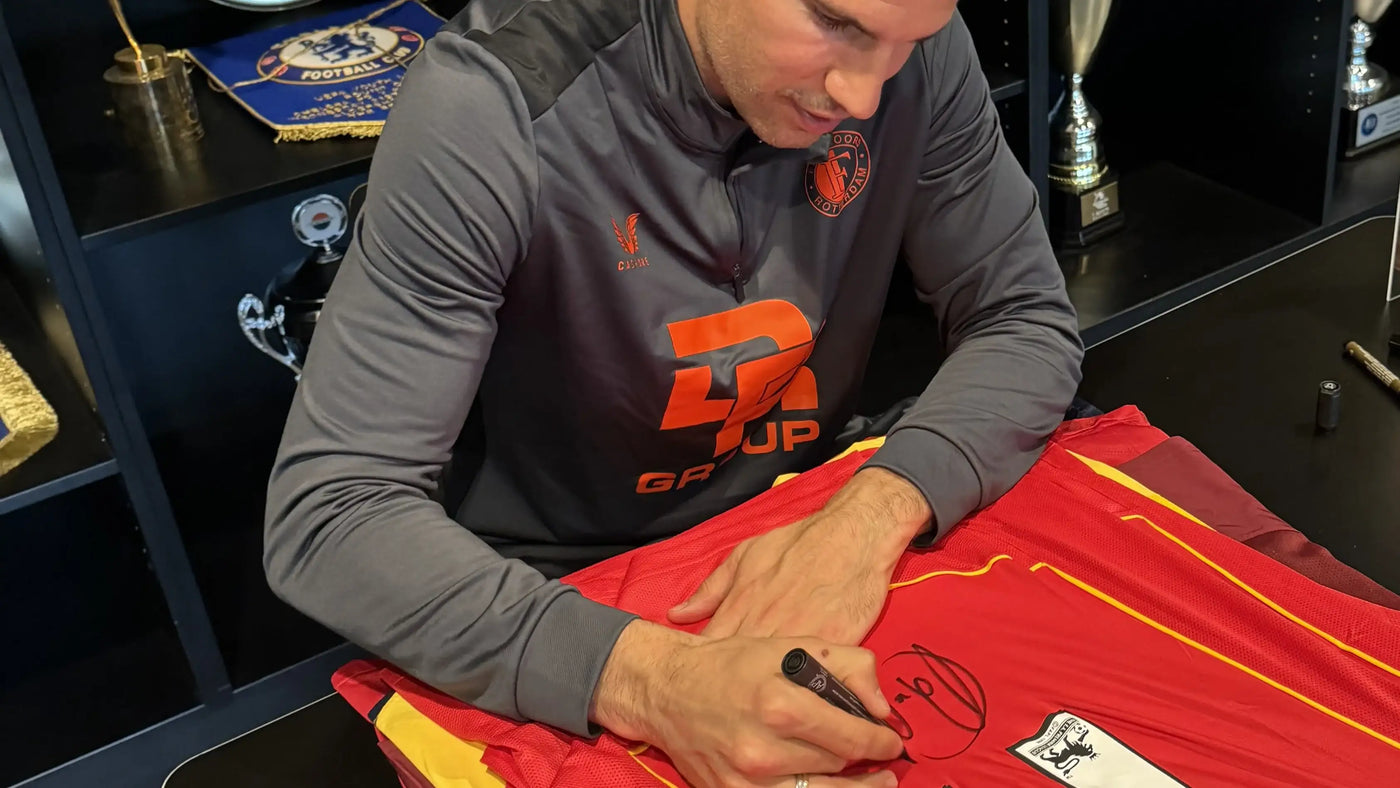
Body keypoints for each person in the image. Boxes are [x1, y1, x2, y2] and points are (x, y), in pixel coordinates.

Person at [263, 0, 1084, 784]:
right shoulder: (493, 101)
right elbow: (334, 513)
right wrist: (654, 683)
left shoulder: (920, 50)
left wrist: (871, 515)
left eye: (903, 40)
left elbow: (1023, 317)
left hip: (817, 530)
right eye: (833, 23)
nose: (862, 94)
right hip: (562, 605)